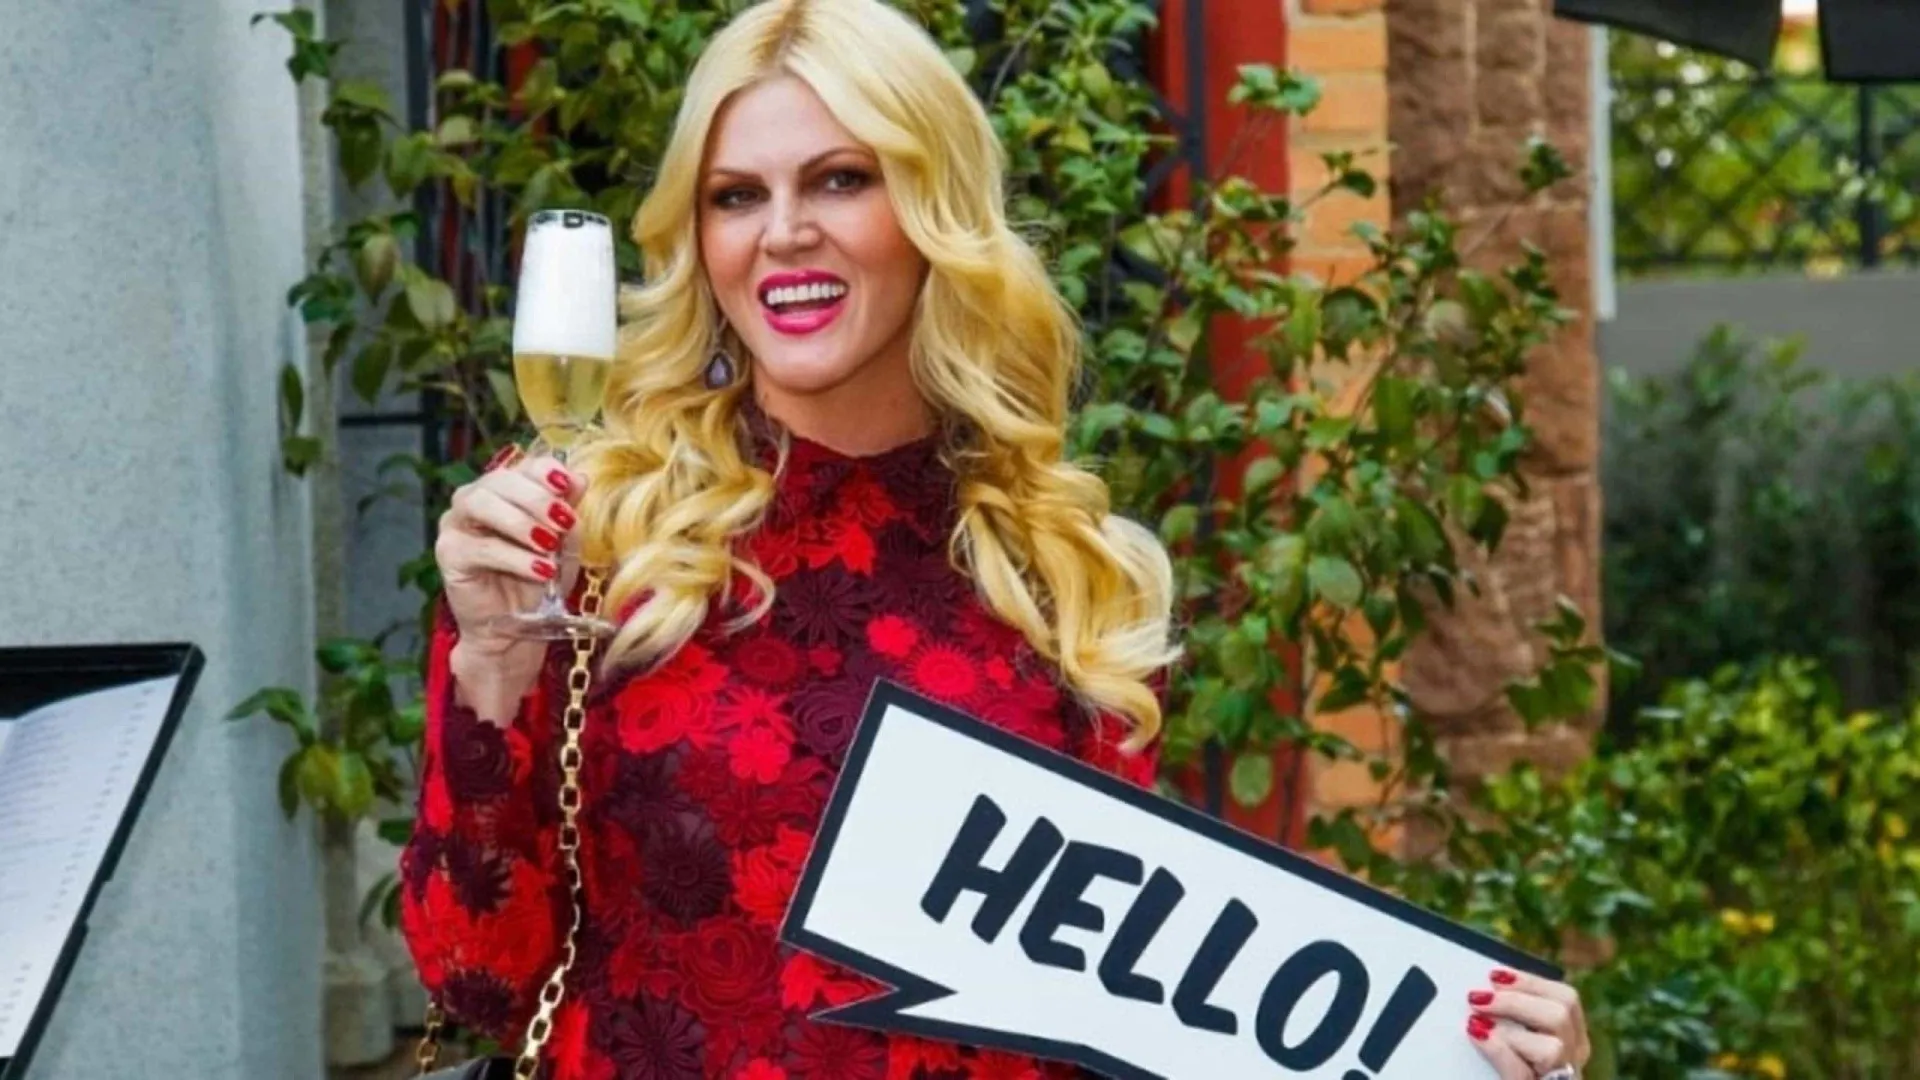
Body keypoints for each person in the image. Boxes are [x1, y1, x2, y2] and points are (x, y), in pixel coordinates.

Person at [399, 0, 1595, 1076]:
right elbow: (479, 983)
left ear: (934, 212)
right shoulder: (592, 536)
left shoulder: (1065, 570)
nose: (784, 232)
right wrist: (492, 665)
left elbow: (1141, 1009)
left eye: (842, 180)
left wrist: (1452, 1049)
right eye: (737, 196)